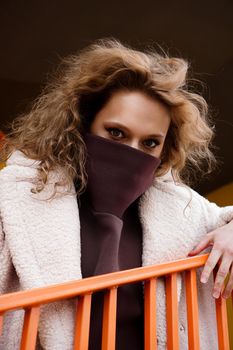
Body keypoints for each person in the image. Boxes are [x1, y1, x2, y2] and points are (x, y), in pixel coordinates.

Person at [0, 38, 233, 350]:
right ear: (83, 125)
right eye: (116, 133)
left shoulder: (183, 210)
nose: (131, 153)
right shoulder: (16, 197)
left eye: (150, 142)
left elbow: (225, 218)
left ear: (165, 148)